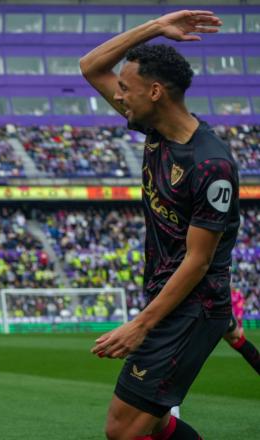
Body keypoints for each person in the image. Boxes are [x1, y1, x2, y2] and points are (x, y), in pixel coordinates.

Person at [80, 10, 241, 439]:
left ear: (155, 92)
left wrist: (140, 325)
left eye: (126, 89)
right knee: (145, 426)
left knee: (124, 431)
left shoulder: (211, 165)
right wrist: (155, 27)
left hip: (193, 308)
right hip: (169, 299)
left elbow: (199, 260)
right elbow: (90, 66)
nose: (119, 96)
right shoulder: (153, 128)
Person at [222, 287, 260, 374]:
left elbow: (240, 302)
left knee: (236, 337)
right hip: (205, 304)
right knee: (236, 337)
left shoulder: (236, 293)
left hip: (215, 305)